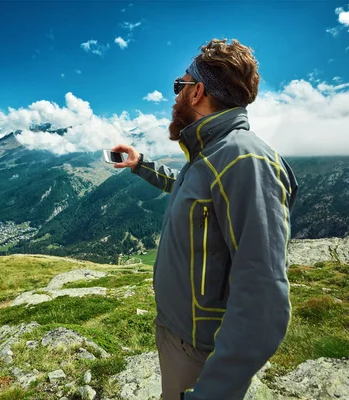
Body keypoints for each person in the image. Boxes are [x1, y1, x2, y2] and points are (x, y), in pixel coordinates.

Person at [112, 38, 298, 400]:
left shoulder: (244, 159)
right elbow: (189, 185)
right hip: (178, 333)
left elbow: (264, 297)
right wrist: (141, 165)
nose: (174, 96)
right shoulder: (212, 153)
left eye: (178, 86)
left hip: (198, 352)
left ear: (196, 92)